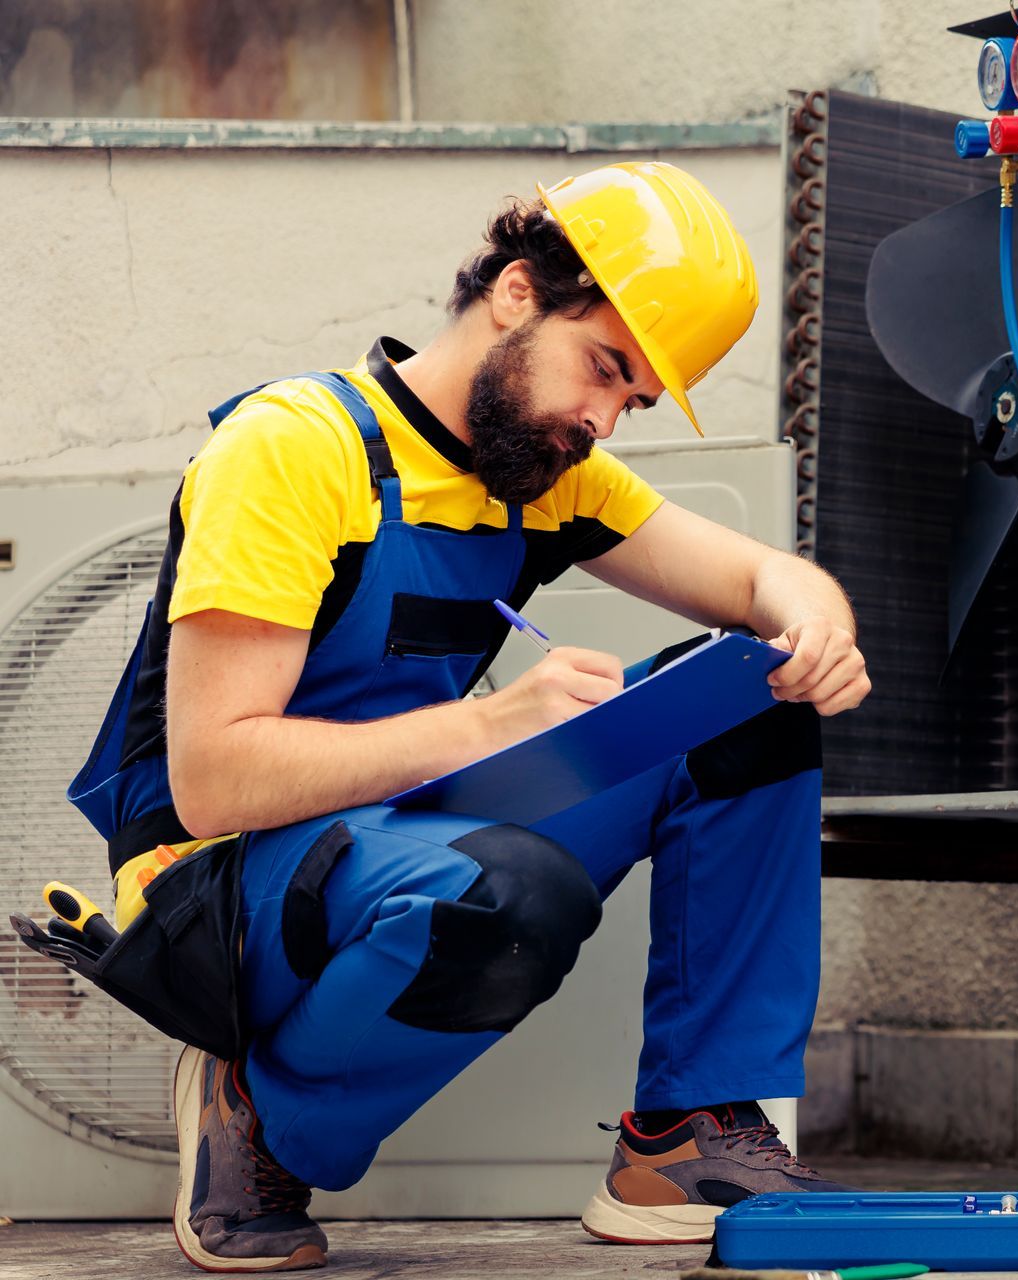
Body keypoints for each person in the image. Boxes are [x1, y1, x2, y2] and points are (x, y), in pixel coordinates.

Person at [65, 161, 869, 1272]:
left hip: (408, 825)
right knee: (509, 893)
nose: (600, 419)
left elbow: (761, 581)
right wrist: (497, 724)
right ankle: (261, 1112)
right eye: (602, 368)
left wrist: (815, 622)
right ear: (518, 292)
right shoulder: (293, 448)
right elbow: (214, 778)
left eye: (629, 398)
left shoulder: (541, 472)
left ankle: (685, 1130)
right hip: (225, 879)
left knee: (750, 699)